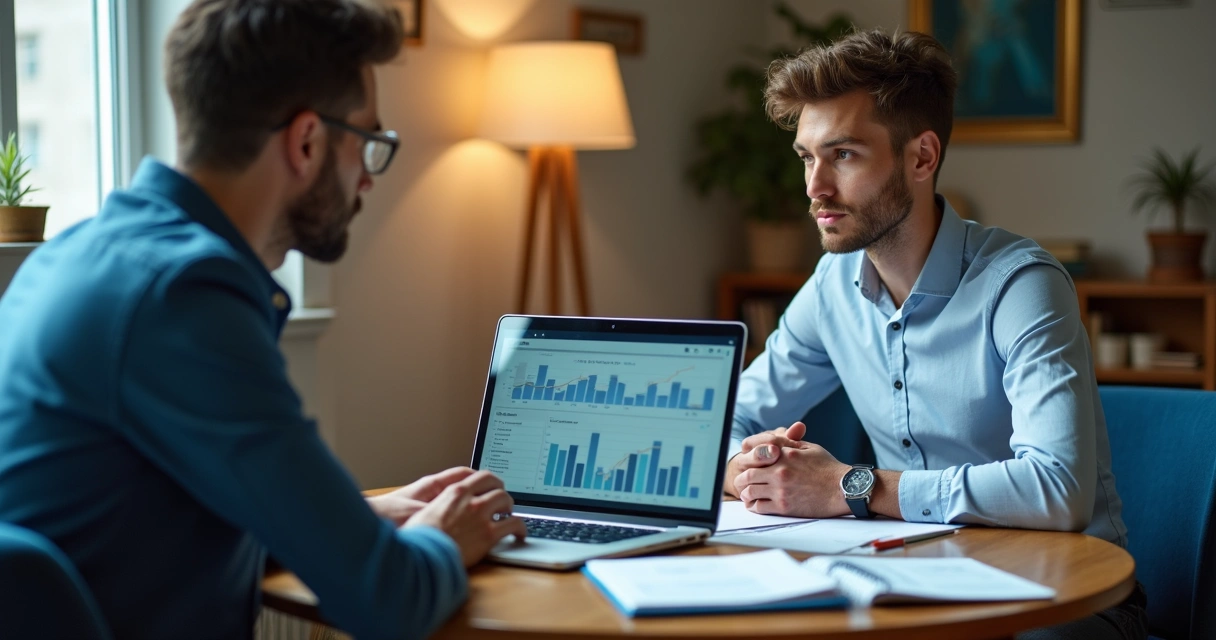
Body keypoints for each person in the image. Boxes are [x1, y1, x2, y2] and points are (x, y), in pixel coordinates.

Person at [0, 1, 525, 639]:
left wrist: (359, 519)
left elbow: (144, 523)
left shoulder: (79, 254)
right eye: (368, 143)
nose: (367, 177)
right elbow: (386, 601)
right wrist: (444, 537)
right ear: (306, 141)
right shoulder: (183, 297)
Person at [725, 29, 1147, 640]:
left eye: (843, 154)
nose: (815, 187)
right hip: (914, 588)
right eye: (806, 157)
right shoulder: (831, 285)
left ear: (922, 157)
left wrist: (850, 486)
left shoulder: (1020, 285)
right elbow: (728, 421)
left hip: (1063, 602)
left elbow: (1059, 490)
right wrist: (748, 468)